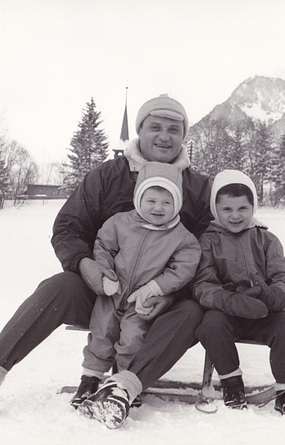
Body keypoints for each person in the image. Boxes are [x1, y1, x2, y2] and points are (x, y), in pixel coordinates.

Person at [0, 94, 212, 428]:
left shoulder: (198, 188)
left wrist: (168, 295)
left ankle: (123, 388)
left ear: (184, 135)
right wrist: (85, 264)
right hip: (105, 294)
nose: (164, 136)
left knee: (193, 312)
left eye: (174, 128)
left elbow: (207, 253)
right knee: (58, 287)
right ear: (139, 130)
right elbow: (68, 227)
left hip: (158, 304)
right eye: (155, 126)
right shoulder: (108, 176)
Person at [71, 161, 201, 410]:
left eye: (166, 202)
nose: (158, 208)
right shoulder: (119, 222)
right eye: (151, 201)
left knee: (132, 339)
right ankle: (90, 379)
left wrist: (154, 288)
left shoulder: (182, 238)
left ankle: (122, 384)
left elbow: (182, 268)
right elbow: (104, 247)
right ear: (138, 198)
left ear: (178, 203)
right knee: (101, 333)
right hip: (112, 293)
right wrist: (106, 274)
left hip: (142, 299)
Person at [192, 169, 285, 415]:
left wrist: (273, 295)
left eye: (242, 209)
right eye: (227, 209)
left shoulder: (266, 239)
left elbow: (284, 276)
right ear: (216, 210)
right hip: (226, 311)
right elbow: (203, 284)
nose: (235, 216)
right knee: (210, 326)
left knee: (284, 328)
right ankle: (231, 384)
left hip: (263, 310)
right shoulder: (208, 241)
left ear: (253, 207)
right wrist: (228, 300)